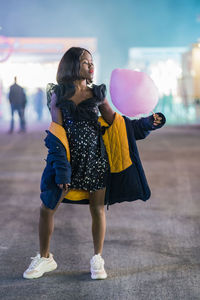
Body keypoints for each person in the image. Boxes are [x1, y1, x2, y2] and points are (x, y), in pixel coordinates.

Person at [23, 47, 165, 280]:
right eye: (85, 62)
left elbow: (120, 126)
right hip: (66, 163)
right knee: (47, 208)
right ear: (72, 66)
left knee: (97, 209)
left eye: (92, 62)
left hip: (96, 161)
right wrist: (62, 171)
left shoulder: (97, 94)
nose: (91, 66)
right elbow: (57, 132)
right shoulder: (58, 95)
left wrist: (148, 123)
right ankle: (45, 258)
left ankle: (97, 259)